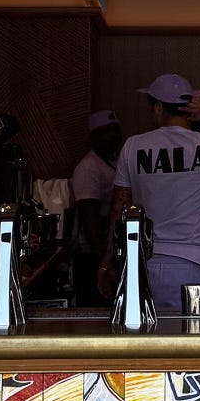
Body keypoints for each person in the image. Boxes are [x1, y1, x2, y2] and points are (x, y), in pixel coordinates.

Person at [101, 73, 200, 310]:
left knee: (145, 333)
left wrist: (108, 259)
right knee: (195, 333)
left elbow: (119, 208)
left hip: (144, 265)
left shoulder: (132, 147)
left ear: (158, 108)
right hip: (194, 266)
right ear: (188, 109)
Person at [69, 111, 122, 305]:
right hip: (92, 254)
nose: (113, 136)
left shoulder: (114, 161)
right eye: (106, 131)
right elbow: (89, 218)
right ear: (93, 137)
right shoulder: (88, 168)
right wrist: (103, 262)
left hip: (108, 251)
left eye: (116, 130)